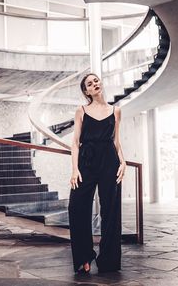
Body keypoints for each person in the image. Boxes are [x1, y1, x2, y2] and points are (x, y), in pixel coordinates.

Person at [68, 72, 126, 274]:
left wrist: (123, 161)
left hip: (110, 161)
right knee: (76, 207)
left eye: (96, 81)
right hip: (86, 161)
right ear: (86, 91)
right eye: (89, 84)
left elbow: (116, 142)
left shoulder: (116, 111)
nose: (94, 84)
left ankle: (108, 260)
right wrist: (75, 169)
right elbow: (75, 143)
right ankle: (84, 256)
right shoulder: (81, 110)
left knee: (111, 211)